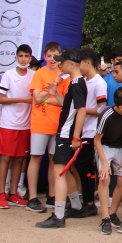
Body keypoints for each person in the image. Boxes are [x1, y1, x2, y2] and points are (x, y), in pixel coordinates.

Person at [36, 47, 89, 229]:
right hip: (67, 134)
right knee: (64, 170)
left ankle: (58, 215)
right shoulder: (75, 82)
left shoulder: (76, 84)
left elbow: (81, 110)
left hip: (67, 135)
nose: (59, 64)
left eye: (62, 61)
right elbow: (70, 106)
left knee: (58, 171)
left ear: (71, 64)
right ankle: (75, 206)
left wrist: (75, 137)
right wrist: (55, 93)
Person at [26, 42, 67, 212]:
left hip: (57, 125)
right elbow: (35, 99)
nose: (52, 59)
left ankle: (52, 195)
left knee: (53, 160)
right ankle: (32, 197)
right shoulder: (39, 74)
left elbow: (63, 102)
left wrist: (48, 94)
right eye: (49, 56)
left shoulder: (63, 77)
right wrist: (50, 95)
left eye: (55, 56)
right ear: (44, 57)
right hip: (40, 123)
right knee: (35, 158)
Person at [0, 44, 34, 209]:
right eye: (21, 56)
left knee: (20, 158)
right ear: (16, 57)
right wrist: (22, 100)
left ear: (30, 58)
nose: (23, 59)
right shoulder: (8, 75)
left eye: (26, 56)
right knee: (6, 157)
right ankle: (1, 194)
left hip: (25, 125)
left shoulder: (34, 75)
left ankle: (12, 193)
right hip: (9, 123)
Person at [95, 86, 122, 235]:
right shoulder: (106, 115)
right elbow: (97, 140)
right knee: (104, 179)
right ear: (121, 107)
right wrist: (104, 162)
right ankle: (104, 217)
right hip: (104, 146)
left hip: (119, 148)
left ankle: (112, 213)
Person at [73, 47, 107, 218]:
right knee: (81, 166)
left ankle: (89, 203)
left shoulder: (99, 82)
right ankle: (86, 201)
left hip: (92, 131)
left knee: (84, 166)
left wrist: (82, 110)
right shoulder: (83, 81)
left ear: (87, 62)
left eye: (79, 63)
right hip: (83, 130)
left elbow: (102, 108)